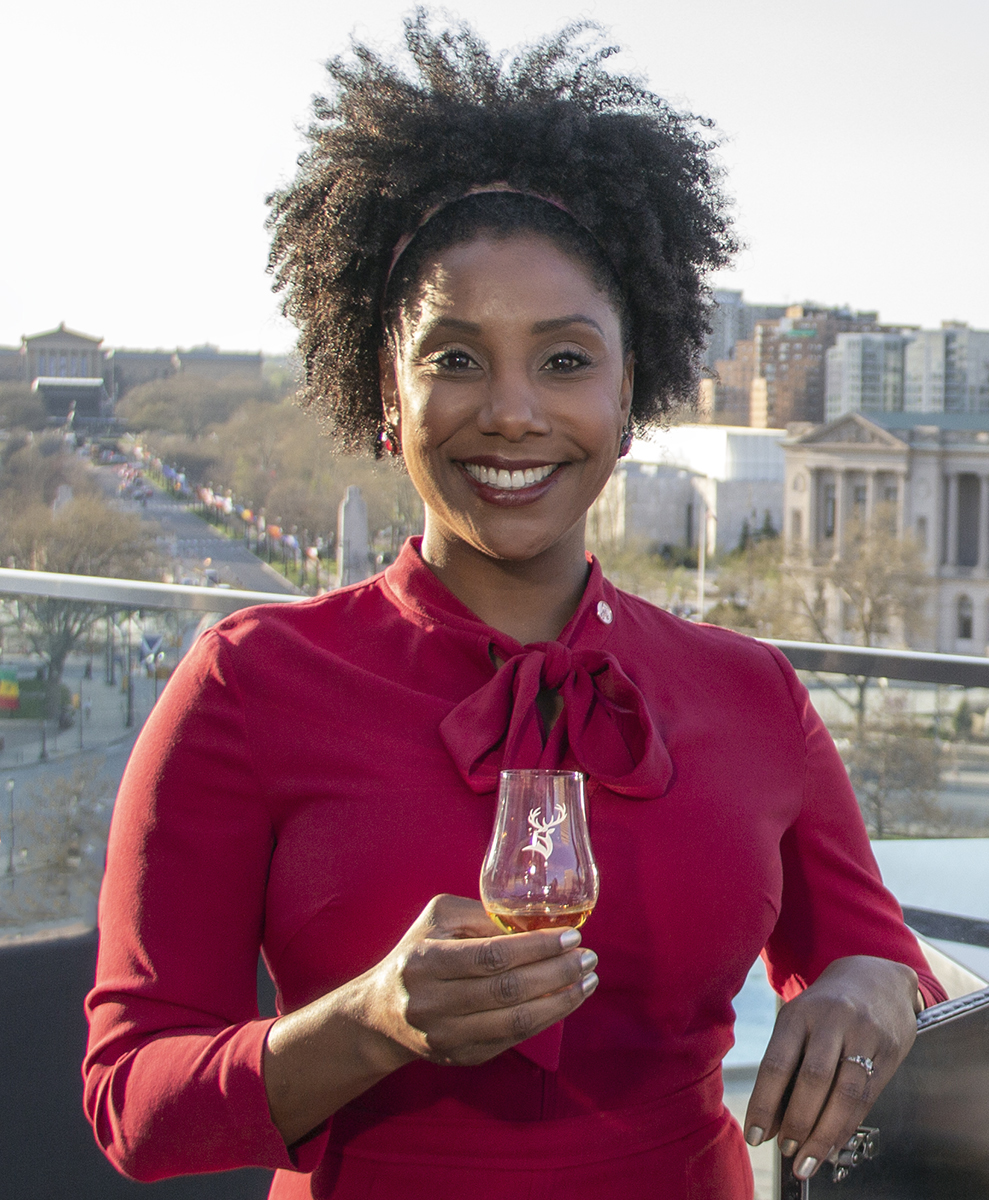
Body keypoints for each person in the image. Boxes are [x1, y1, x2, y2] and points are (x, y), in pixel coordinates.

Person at [84, 14, 944, 1199]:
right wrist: (363, 1024)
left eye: (561, 360)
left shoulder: (753, 693)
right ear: (382, 392)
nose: (509, 413)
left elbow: (874, 952)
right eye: (451, 359)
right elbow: (131, 1104)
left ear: (626, 396)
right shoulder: (244, 681)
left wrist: (868, 984)